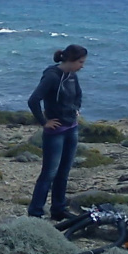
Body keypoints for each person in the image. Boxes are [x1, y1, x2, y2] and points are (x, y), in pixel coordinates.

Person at [27, 44, 88, 220]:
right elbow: (33, 100)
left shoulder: (72, 75)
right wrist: (44, 122)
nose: (82, 66)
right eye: (80, 62)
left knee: (64, 171)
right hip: (56, 132)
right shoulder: (52, 76)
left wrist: (76, 109)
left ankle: (58, 209)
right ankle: (35, 212)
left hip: (71, 128)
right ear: (71, 60)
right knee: (49, 173)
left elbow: (78, 95)